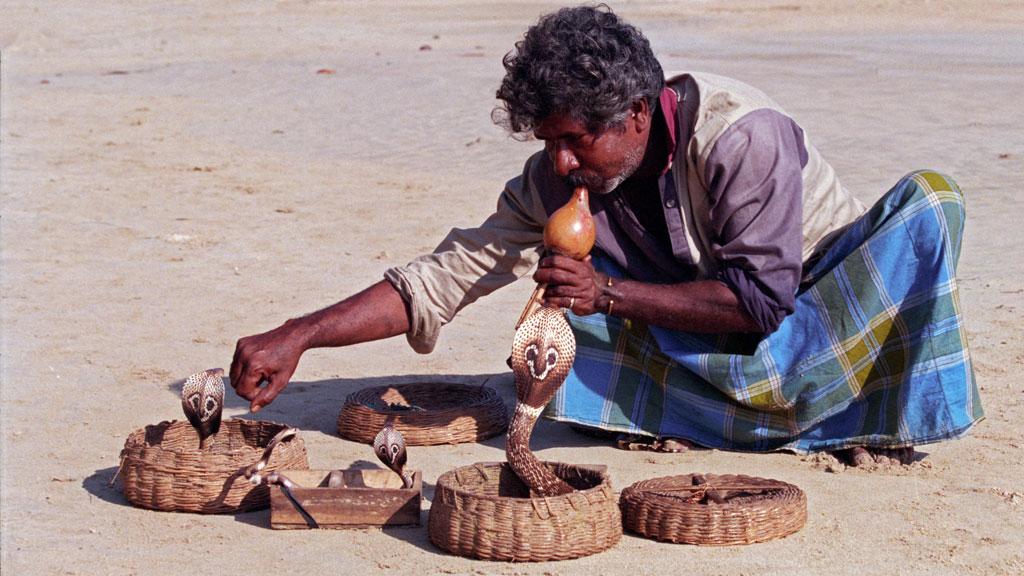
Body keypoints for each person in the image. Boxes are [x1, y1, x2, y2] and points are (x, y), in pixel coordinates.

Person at [231, 5, 982, 467]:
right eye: (547, 138)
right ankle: (758, 422)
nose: (559, 161)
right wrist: (301, 334)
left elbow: (761, 302)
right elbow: (443, 279)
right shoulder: (554, 179)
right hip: (702, 338)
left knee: (932, 204)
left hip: (817, 323)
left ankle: (840, 414)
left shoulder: (740, 137)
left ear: (638, 114)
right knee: (559, 314)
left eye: (576, 138)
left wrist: (613, 292)